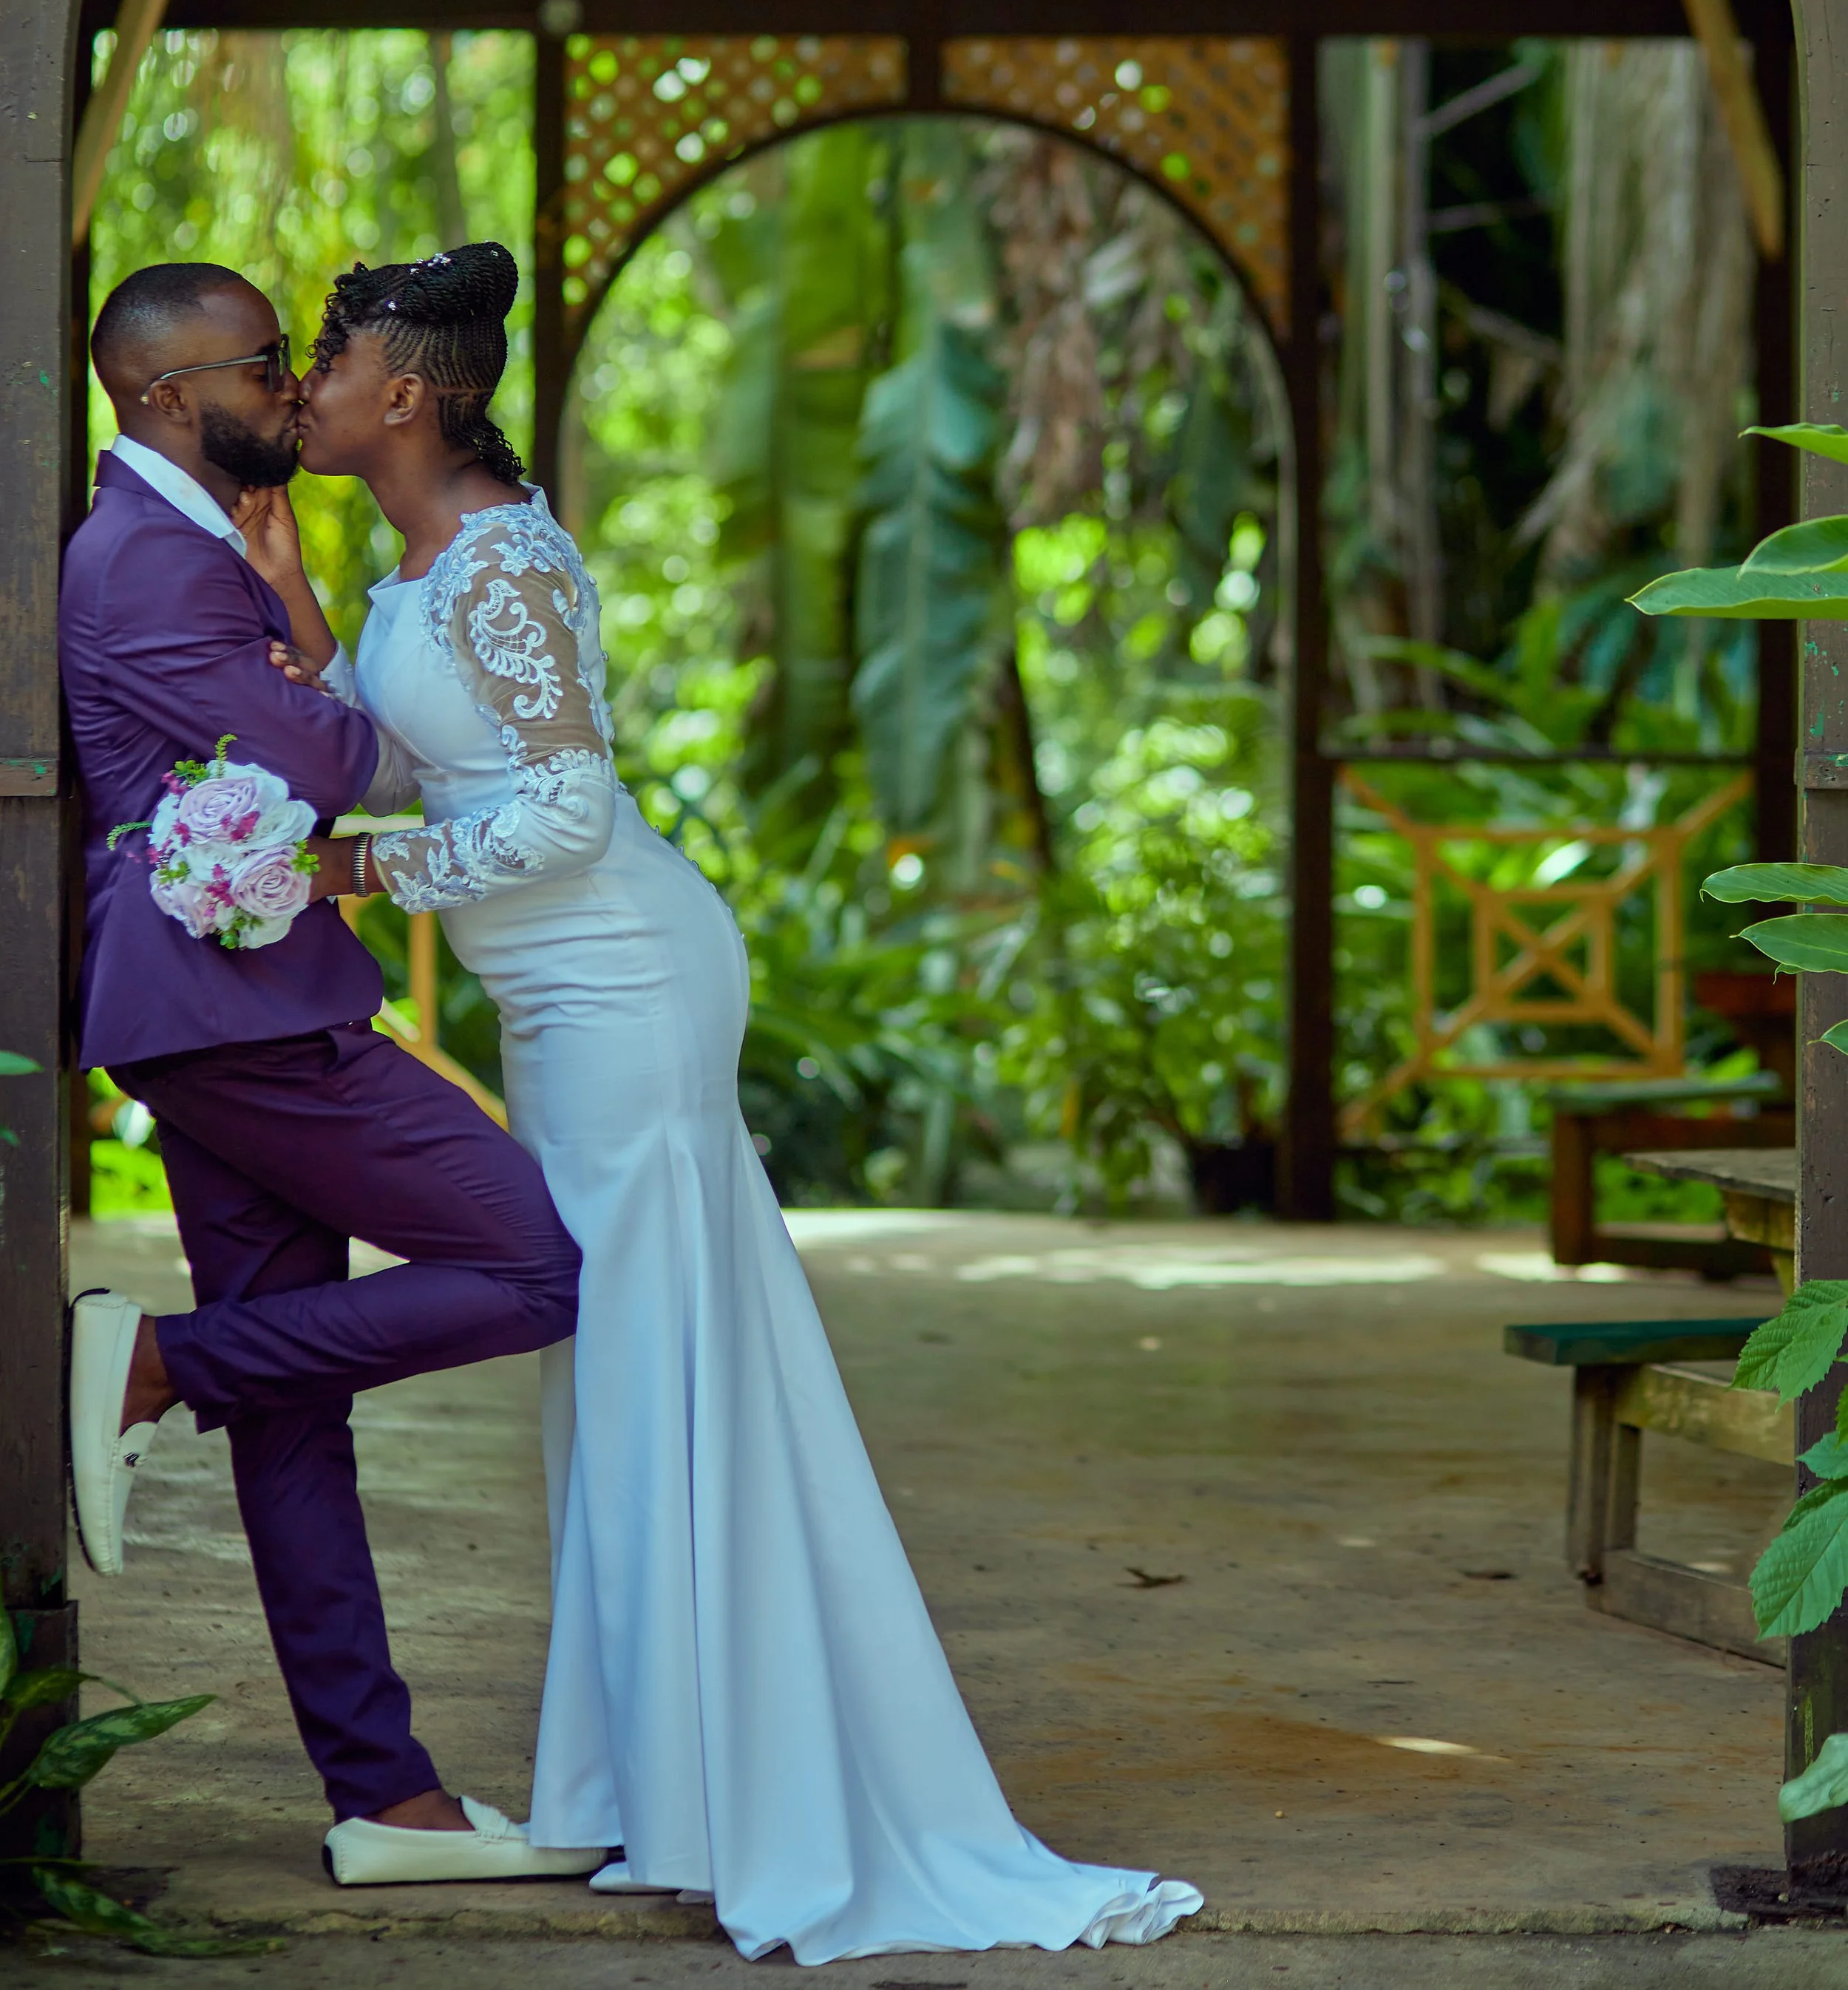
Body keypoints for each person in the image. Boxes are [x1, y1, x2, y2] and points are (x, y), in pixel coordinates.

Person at [258, 237, 1203, 1963]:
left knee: (642, 1347)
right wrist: (304, 619)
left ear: (402, 391)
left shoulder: (506, 565)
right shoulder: (416, 569)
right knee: (616, 1365)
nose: (299, 392)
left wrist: (349, 880)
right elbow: (410, 749)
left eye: (321, 364)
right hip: (556, 997)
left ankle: (721, 1783)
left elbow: (559, 814)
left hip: (623, 978)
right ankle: (658, 1782)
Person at [58, 260, 604, 1891]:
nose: (290, 389)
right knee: (530, 1259)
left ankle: (388, 1799)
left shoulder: (194, 542)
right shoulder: (145, 562)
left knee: (292, 1410)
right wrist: (325, 690)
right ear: (168, 396)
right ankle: (154, 1363)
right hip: (243, 1015)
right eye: (259, 366)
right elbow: (328, 757)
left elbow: (326, 732)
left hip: (223, 1005)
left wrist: (300, 628)